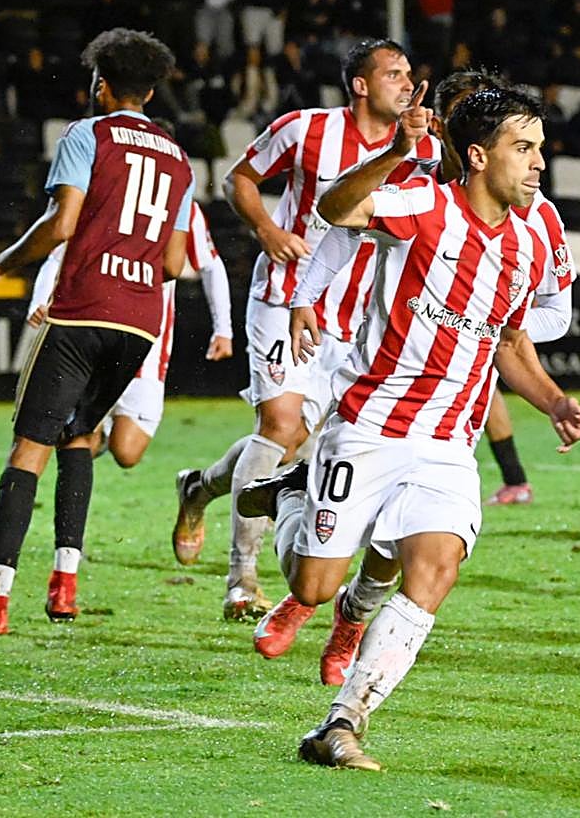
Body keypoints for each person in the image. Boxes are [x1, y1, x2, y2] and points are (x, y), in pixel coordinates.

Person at [273, 85, 580, 770]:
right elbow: (335, 209)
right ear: (478, 156)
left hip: (448, 443)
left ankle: (342, 722)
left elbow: (510, 342)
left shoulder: (528, 242)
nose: (539, 163)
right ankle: (290, 494)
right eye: (523, 148)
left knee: (436, 569)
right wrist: (395, 151)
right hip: (370, 427)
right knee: (313, 587)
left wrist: (554, 402)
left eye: (539, 148)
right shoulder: (424, 206)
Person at [0, 28, 194, 634]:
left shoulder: (88, 134)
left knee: (28, 449)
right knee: (80, 437)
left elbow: (62, 222)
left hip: (82, 309)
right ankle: (65, 587)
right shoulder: (178, 158)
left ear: (101, 85)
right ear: (151, 92)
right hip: (139, 320)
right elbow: (175, 264)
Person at [169, 38, 439, 619]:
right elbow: (239, 179)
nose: (406, 83)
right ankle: (241, 579)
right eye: (393, 73)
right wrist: (267, 230)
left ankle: (200, 486)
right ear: (361, 85)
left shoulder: (423, 150)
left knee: (296, 444)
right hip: (284, 296)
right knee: (279, 425)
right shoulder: (306, 128)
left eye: (409, 73)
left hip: (359, 319)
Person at [25, 196, 233, 476]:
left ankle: (103, 430)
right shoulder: (106, 192)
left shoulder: (182, 203)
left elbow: (210, 265)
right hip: (96, 332)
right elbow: (57, 256)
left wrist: (223, 329)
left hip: (148, 347)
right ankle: (90, 433)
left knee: (127, 453)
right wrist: (39, 300)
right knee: (78, 438)